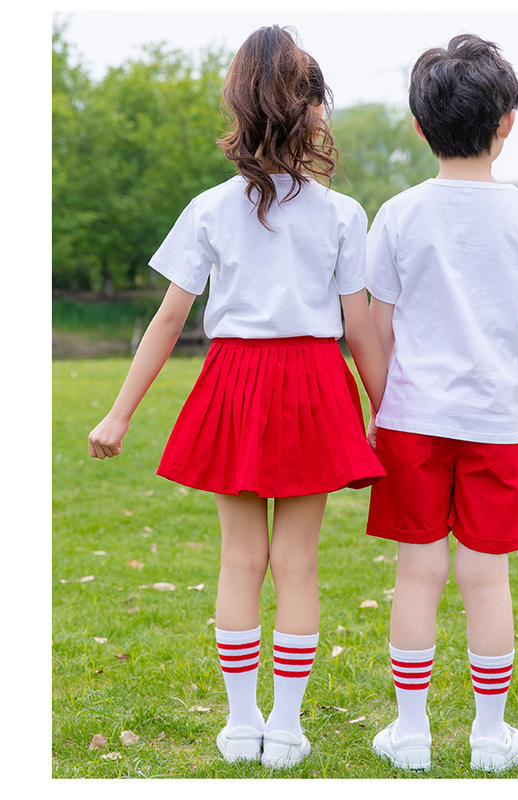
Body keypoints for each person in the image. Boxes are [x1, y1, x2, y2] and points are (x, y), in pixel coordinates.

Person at [88, 25, 387, 770]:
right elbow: (359, 328)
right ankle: (283, 727)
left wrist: (120, 413)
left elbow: (170, 319)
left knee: (240, 559)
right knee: (298, 563)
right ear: (311, 109)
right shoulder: (342, 213)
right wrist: (386, 412)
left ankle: (242, 720)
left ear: (240, 107)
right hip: (314, 383)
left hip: (236, 383)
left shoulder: (210, 207)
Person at [365, 33, 518, 773]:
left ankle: (411, 734)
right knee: (486, 576)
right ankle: (490, 737)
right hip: (496, 422)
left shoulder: (397, 214)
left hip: (412, 421)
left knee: (417, 573)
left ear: (419, 126)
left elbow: (376, 324)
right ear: (507, 122)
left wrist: (381, 405)